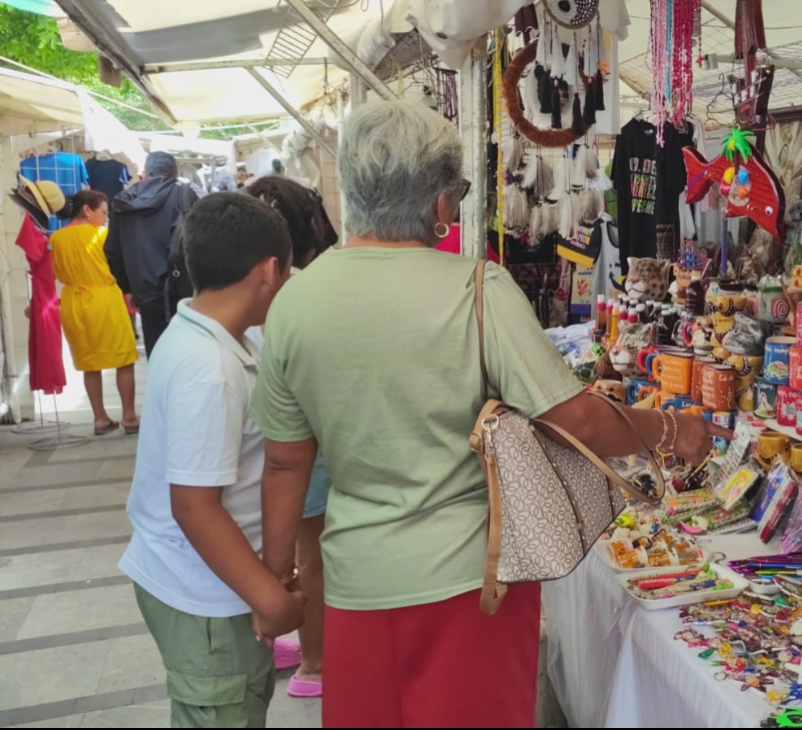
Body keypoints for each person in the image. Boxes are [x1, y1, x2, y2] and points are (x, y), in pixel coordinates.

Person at [250, 99, 728, 729]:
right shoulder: (479, 289)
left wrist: (277, 578)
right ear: (441, 205)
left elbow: (286, 463)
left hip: (356, 580)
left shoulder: (294, 302)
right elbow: (575, 420)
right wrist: (673, 427)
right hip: (472, 583)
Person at [118, 193, 303, 729]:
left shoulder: (205, 332)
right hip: (204, 597)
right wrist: (272, 598)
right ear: (270, 271)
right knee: (223, 711)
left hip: (210, 582)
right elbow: (194, 507)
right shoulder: (210, 367)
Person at [241, 176, 339, 699]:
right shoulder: (308, 288)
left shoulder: (246, 286)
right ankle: (316, 660)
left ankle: (304, 644)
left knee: (292, 547)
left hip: (265, 444)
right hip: (301, 442)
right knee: (309, 552)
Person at [50, 190, 140, 435]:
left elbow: (56, 273)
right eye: (103, 212)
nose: (105, 217)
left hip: (74, 302)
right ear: (87, 210)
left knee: (90, 362)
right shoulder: (103, 235)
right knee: (124, 359)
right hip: (104, 299)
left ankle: (100, 418)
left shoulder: (57, 239)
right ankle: (129, 416)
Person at [105, 151, 200, 356]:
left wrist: (127, 287)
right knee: (189, 356)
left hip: (146, 292)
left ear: (146, 173)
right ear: (174, 172)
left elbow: (112, 250)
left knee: (158, 356)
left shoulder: (123, 200)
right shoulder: (187, 193)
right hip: (187, 290)